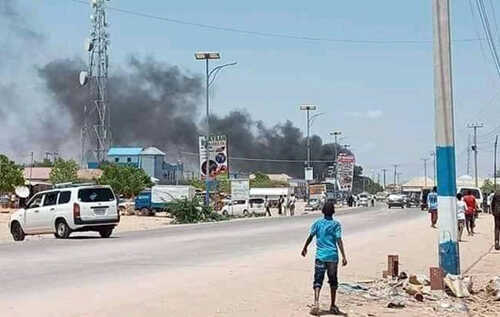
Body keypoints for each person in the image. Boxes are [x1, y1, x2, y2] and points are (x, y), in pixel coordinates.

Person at [301, 202, 348, 316]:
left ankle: (316, 303)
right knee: (333, 281)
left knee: (318, 280)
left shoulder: (317, 223)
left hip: (320, 256)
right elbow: (339, 240)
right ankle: (332, 305)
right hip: (332, 257)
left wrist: (305, 247)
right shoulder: (336, 225)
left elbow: (310, 237)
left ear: (322, 211)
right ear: (333, 211)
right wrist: (344, 256)